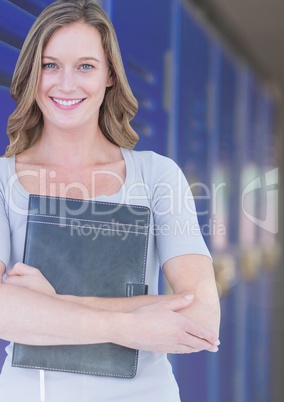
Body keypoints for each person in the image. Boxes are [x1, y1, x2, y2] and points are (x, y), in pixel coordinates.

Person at [0, 0, 220, 401]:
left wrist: (50, 305)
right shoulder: (2, 180)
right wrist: (128, 325)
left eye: (85, 66)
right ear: (32, 74)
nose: (66, 84)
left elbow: (202, 317)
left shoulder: (157, 176)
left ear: (110, 77)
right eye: (50, 65)